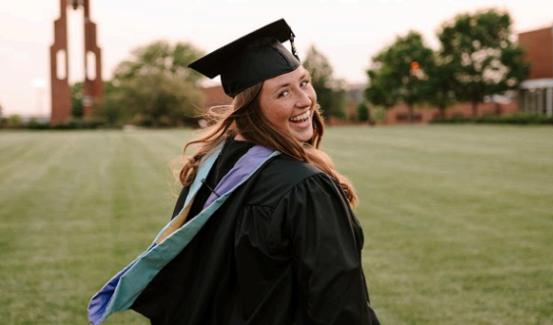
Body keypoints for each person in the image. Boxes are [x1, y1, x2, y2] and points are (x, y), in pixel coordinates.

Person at [88, 19, 380, 325]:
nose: (305, 100)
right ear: (252, 107)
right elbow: (343, 311)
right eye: (283, 93)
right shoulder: (305, 188)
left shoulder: (209, 166)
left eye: (304, 82)